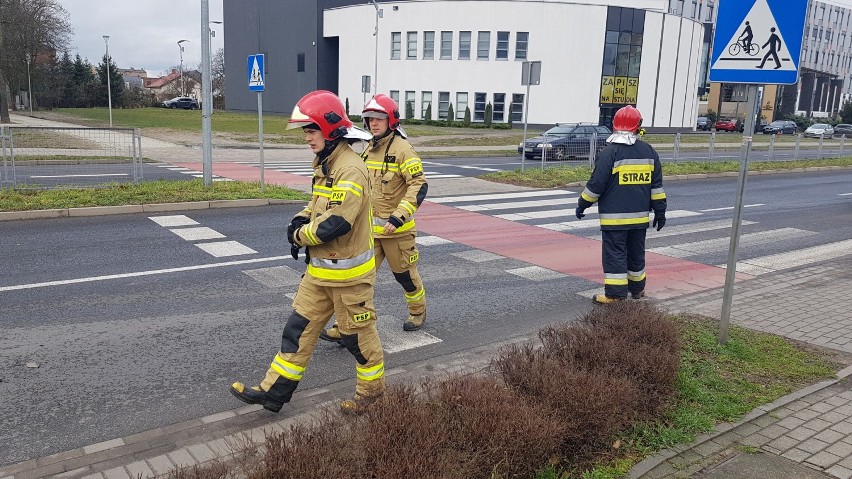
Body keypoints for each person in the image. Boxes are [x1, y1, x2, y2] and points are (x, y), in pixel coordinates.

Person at [229, 90, 385, 414]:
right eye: (305, 131)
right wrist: (300, 217)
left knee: (359, 341)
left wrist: (301, 236)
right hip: (320, 274)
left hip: (349, 279)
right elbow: (318, 205)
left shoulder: (351, 168)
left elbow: (338, 222)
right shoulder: (325, 163)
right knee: (297, 331)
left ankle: (371, 398)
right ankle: (273, 392)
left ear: (329, 129)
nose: (306, 138)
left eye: (310, 130)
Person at [321, 94, 429, 342]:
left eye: (379, 118)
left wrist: (398, 217)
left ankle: (417, 312)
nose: (373, 123)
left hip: (397, 232)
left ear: (391, 121)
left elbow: (418, 185)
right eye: (369, 119)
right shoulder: (369, 149)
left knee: (405, 276)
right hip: (370, 233)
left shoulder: (403, 150)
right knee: (359, 280)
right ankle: (346, 326)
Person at [574, 105, 667, 304]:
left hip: (615, 219)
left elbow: (596, 185)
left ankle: (615, 295)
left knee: (615, 254)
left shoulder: (610, 152)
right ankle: (637, 290)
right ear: (638, 126)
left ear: (615, 125)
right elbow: (656, 187)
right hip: (640, 218)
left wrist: (583, 204)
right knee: (636, 254)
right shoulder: (649, 151)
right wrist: (660, 212)